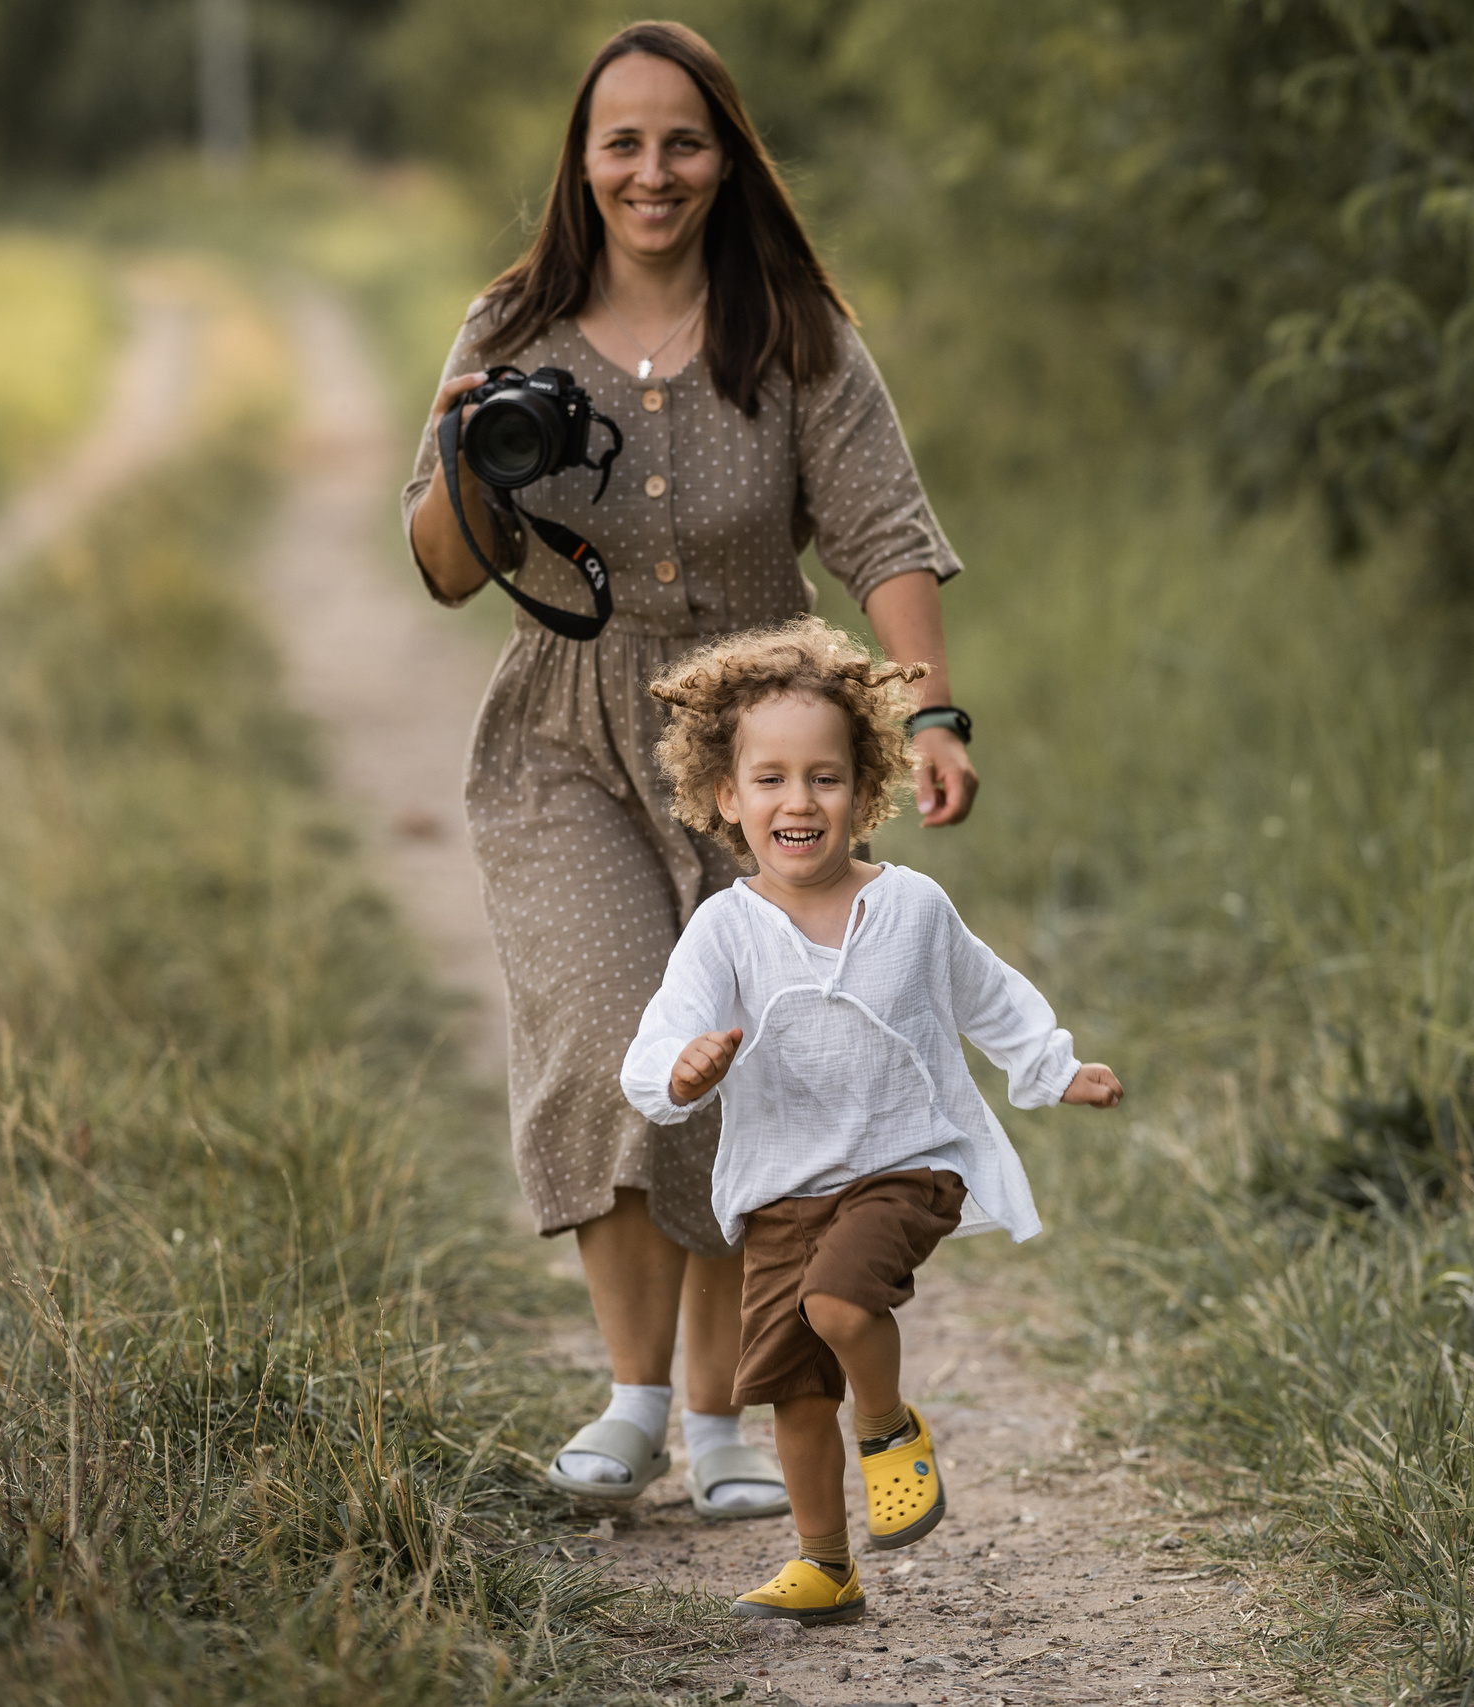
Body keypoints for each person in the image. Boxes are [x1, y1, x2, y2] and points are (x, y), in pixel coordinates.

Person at [398, 20, 980, 1519]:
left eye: (682, 141)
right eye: (623, 143)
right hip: (562, 738)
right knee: (612, 1043)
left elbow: (885, 536)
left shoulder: (790, 332)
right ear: (582, 165)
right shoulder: (510, 326)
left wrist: (928, 716)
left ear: (725, 157)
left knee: (744, 1062)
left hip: (758, 745)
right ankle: (634, 1396)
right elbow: (442, 571)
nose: (652, 171)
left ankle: (723, 1413)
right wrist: (472, 458)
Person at [621, 620, 1123, 1625]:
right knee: (793, 1393)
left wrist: (1052, 1068)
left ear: (865, 788)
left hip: (904, 1161)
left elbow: (989, 996)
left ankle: (889, 1429)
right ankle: (824, 1565)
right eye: (769, 780)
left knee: (841, 1307)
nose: (797, 802)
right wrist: (680, 1074)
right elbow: (661, 1040)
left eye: (824, 778)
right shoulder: (724, 929)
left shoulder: (912, 907)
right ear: (725, 796)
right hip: (779, 1188)